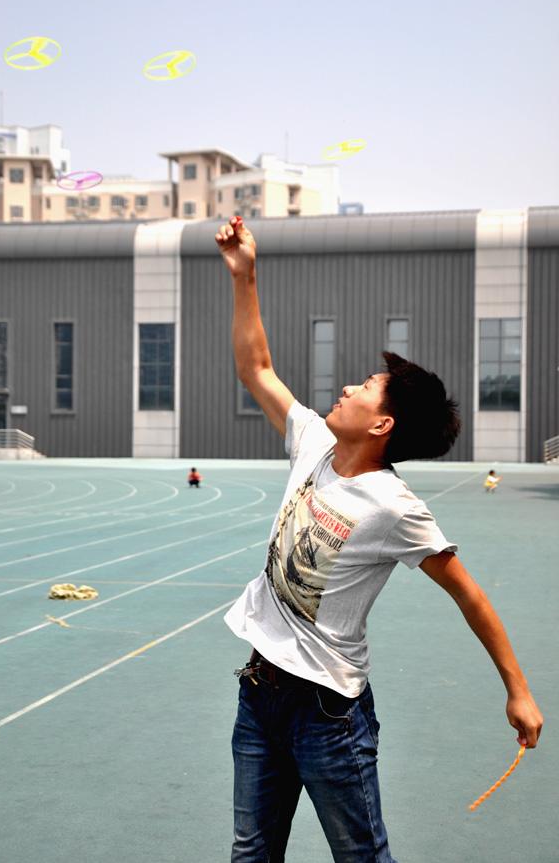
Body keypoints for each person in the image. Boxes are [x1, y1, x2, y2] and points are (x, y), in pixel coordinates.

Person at [215, 216, 544, 863]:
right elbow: (255, 367)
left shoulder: (395, 506)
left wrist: (519, 689)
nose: (347, 387)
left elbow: (470, 594)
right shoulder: (314, 442)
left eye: (365, 387)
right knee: (250, 853)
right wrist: (244, 275)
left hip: (327, 715)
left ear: (383, 423)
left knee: (362, 857)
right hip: (259, 694)